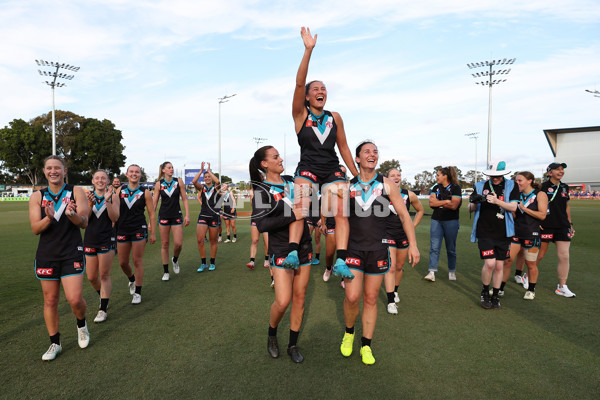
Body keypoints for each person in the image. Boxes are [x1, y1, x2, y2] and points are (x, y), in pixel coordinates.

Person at [285, 27, 359, 275]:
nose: (320, 92)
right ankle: (293, 251)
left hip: (331, 170)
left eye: (323, 89)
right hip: (307, 169)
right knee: (301, 210)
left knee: (340, 213)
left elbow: (344, 147)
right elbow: (298, 83)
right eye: (315, 89)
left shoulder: (335, 116)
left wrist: (357, 175)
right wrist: (308, 51)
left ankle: (341, 260)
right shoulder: (300, 115)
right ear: (306, 96)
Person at [340, 141, 420, 365]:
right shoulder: (347, 186)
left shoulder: (387, 185)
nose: (372, 154)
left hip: (378, 249)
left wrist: (412, 244)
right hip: (354, 249)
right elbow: (341, 221)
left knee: (371, 298)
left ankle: (366, 345)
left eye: (375, 151)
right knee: (352, 296)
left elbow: (404, 215)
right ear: (357, 159)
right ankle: (348, 333)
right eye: (367, 151)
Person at [250, 145, 311, 363]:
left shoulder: (290, 181)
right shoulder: (261, 190)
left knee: (300, 299)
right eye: (275, 157)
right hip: (281, 250)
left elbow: (306, 205)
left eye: (279, 156)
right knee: (283, 301)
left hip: (304, 247)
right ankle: (272, 334)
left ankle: (293, 344)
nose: (281, 159)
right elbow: (263, 224)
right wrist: (292, 215)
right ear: (264, 164)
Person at [29, 155, 90, 361]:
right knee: (50, 300)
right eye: (49, 168)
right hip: (47, 254)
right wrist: (48, 217)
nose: (53, 171)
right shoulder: (38, 196)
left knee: (74, 299)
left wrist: (71, 214)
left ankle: (81, 325)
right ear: (44, 172)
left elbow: (84, 222)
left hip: (71, 251)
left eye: (57, 168)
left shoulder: (76, 191)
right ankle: (55, 343)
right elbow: (35, 229)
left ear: (65, 171)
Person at [469, 161, 519, 309]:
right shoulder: (479, 186)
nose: (494, 179)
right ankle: (485, 292)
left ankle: (495, 295)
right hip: (484, 230)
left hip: (504, 231)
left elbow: (514, 207)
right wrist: (474, 202)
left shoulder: (511, 185)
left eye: (497, 176)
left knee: (499, 266)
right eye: (492, 176)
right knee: (490, 263)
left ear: (504, 174)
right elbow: (470, 208)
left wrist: (497, 201)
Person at [383, 168, 424, 314]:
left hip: (403, 236)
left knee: (399, 267)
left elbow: (420, 210)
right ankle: (390, 301)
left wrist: (411, 227)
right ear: (387, 178)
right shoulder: (382, 193)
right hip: (387, 235)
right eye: (392, 175)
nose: (396, 177)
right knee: (391, 266)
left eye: (398, 175)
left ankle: (395, 291)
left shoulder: (409, 195)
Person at [502, 172, 548, 300]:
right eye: (516, 180)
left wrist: (524, 208)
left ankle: (531, 290)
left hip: (531, 234)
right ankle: (500, 288)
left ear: (530, 181)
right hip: (516, 232)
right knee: (507, 260)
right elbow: (515, 215)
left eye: (520, 180)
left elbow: (542, 215)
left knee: (530, 263)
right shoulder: (517, 195)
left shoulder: (540, 194)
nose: (517, 183)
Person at [116, 164, 156, 304]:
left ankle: (138, 292)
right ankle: (131, 279)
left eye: (137, 172)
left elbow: (151, 213)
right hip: (122, 229)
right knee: (122, 262)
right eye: (131, 172)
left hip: (139, 228)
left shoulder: (145, 192)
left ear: (140, 175)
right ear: (126, 174)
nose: (134, 174)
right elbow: (114, 212)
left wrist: (153, 233)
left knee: (137, 260)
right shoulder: (120, 190)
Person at [84, 170, 119, 323]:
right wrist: (90, 203)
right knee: (91, 277)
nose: (100, 180)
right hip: (90, 239)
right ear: (93, 181)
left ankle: (103, 309)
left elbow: (115, 218)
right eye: (97, 178)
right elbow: (84, 220)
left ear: (107, 181)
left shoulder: (114, 196)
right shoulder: (86, 197)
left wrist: (108, 201)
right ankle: (102, 295)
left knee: (104, 274)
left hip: (106, 239)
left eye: (103, 178)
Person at [537, 163, 576, 297]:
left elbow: (566, 206)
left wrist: (570, 223)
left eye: (562, 169)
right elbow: (534, 205)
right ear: (550, 172)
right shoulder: (542, 186)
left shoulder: (564, 187)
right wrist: (537, 221)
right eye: (557, 169)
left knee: (564, 256)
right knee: (540, 255)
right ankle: (527, 274)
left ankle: (562, 286)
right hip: (545, 225)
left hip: (562, 225)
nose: (561, 171)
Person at [153, 161, 190, 281]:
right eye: (169, 168)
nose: (171, 169)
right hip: (163, 216)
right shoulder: (159, 184)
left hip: (176, 215)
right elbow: (154, 203)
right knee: (164, 244)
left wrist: (187, 215)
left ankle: (175, 259)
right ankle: (166, 272)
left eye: (172, 167)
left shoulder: (178, 181)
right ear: (163, 170)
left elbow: (184, 198)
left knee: (178, 244)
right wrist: (151, 220)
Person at [424, 167, 462, 282]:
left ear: (445, 176)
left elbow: (454, 205)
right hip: (436, 220)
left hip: (451, 221)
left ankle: (451, 271)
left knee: (451, 248)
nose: (436, 177)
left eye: (438, 175)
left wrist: (438, 203)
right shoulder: (436, 187)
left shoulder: (456, 188)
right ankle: (431, 272)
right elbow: (431, 203)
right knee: (434, 247)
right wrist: (446, 201)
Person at [192, 163, 221, 272]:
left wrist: (209, 171)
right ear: (203, 179)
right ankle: (203, 263)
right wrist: (201, 171)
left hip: (214, 217)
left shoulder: (216, 188)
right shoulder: (202, 188)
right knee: (200, 240)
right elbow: (194, 182)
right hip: (203, 216)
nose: (207, 178)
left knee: (213, 241)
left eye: (209, 177)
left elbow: (217, 181)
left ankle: (212, 263)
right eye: (206, 177)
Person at [248, 187, 271, 274]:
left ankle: (266, 259)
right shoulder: (253, 190)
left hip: (266, 218)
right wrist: (251, 195)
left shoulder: (268, 189)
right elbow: (252, 205)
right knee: (255, 240)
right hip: (255, 218)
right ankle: (252, 261)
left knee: (267, 242)